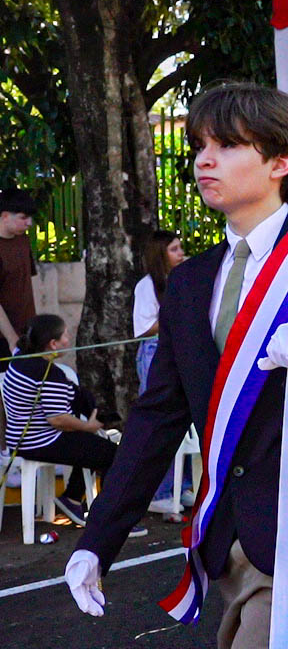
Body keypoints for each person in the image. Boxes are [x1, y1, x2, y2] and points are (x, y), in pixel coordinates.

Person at [66, 83, 288, 646]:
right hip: (228, 536)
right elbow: (158, 418)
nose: (205, 159)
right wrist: (97, 540)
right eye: (201, 145)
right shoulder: (190, 281)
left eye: (227, 145)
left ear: (282, 161)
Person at [3, 315, 147, 537]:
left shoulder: (20, 358)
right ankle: (110, 519)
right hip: (41, 441)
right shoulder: (49, 374)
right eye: (65, 336)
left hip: (21, 439)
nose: (69, 340)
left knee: (95, 447)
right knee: (114, 455)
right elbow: (58, 419)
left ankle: (71, 499)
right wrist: (87, 426)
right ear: (53, 344)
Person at [132, 229, 189, 518]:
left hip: (182, 349)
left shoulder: (184, 279)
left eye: (180, 248)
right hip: (156, 352)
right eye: (174, 249)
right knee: (161, 419)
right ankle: (161, 492)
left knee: (187, 418)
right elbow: (143, 328)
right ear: (160, 255)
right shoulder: (147, 286)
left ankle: (184, 485)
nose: (181, 254)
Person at [0, 188, 37, 351]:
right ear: (5, 216)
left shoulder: (23, 240)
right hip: (5, 339)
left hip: (27, 332)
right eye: (23, 217)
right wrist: (11, 338)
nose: (29, 223)